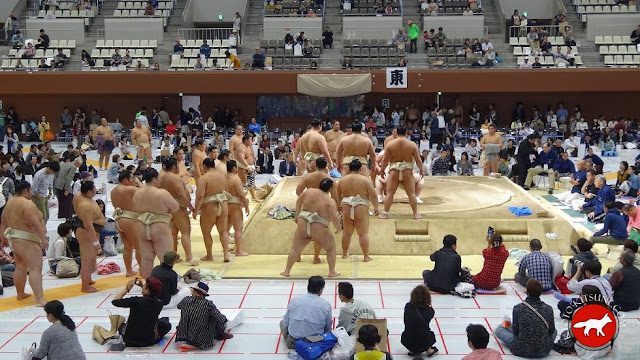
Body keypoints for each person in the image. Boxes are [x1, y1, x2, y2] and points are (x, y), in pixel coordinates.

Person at [281, 179, 342, 278]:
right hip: (318, 226)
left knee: (295, 249)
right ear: (331, 188)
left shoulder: (308, 192)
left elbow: (298, 202)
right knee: (331, 248)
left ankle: (286, 271)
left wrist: (296, 216)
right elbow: (334, 218)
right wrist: (338, 228)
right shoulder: (330, 201)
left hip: (303, 222)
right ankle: (332, 272)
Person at [0, 181, 48, 305]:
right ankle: (39, 298)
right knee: (35, 268)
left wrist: (3, 238)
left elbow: (3, 222)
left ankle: (20, 293)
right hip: (26, 239)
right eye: (30, 191)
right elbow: (34, 223)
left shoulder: (9, 203)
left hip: (14, 239)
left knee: (20, 266)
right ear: (26, 190)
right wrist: (43, 238)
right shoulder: (27, 204)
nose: (31, 193)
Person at [132, 168, 179, 278]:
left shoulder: (137, 193)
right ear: (154, 179)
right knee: (166, 259)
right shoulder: (162, 193)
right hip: (159, 226)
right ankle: (166, 285)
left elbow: (135, 208)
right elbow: (175, 207)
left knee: (146, 259)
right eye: (158, 178)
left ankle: (148, 286)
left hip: (142, 227)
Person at [494, 280, 556, 358]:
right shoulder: (548, 308)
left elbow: (516, 331)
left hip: (521, 349)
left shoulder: (518, 308)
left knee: (500, 329)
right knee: (555, 331)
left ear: (527, 291)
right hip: (543, 351)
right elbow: (551, 331)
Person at [336, 159, 379, 261]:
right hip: (361, 205)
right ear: (360, 169)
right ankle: (366, 256)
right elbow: (373, 195)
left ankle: (344, 254)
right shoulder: (365, 180)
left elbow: (337, 196)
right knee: (363, 233)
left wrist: (338, 206)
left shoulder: (342, 180)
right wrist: (376, 207)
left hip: (346, 206)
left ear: (349, 169)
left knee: (347, 233)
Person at [377, 127, 423, 220]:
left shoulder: (390, 144)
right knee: (411, 194)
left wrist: (382, 171)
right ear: (406, 133)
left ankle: (385, 213)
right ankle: (415, 214)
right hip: (407, 171)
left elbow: (385, 160)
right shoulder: (412, 144)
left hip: (394, 171)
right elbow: (418, 159)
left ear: (397, 133)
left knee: (390, 193)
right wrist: (421, 170)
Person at [111, 277, 171, 347]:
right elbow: (149, 297)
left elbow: (115, 301)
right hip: (149, 340)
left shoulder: (136, 301)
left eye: (145, 286)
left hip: (129, 339)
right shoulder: (159, 303)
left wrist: (127, 289)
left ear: (147, 290)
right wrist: (143, 286)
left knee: (120, 324)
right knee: (165, 324)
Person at [193, 158, 233, 262]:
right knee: (223, 231)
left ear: (205, 166)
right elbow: (227, 192)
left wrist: (196, 210)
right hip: (223, 204)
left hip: (209, 207)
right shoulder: (223, 176)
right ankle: (226, 254)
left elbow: (200, 196)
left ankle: (209, 255)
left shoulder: (204, 178)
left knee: (206, 232)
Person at [160, 158, 197, 265]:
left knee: (173, 233)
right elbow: (181, 194)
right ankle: (189, 257)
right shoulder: (175, 178)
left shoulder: (162, 178)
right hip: (177, 207)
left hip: (167, 208)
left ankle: (173, 256)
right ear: (174, 167)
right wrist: (190, 207)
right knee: (185, 232)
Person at [175, 281, 232, 351]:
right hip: (201, 341)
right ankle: (218, 335)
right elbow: (221, 319)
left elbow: (179, 306)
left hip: (181, 336)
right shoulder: (208, 304)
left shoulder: (186, 299)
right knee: (216, 319)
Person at [280, 276, 332, 349]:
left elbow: (286, 322)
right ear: (321, 290)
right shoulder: (326, 305)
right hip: (315, 342)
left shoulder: (295, 300)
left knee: (282, 322)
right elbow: (328, 326)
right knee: (329, 329)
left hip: (294, 343)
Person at [72, 181, 105, 293]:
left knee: (90, 259)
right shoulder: (85, 205)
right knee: (87, 259)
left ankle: (88, 279)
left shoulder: (78, 195)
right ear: (90, 191)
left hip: (84, 227)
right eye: (95, 188)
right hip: (87, 232)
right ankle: (85, 286)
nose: (96, 189)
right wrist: (96, 243)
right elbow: (88, 225)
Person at [401, 285, 438, 357]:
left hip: (407, 339)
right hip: (425, 339)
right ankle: (429, 350)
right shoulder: (430, 311)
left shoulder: (408, 307)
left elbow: (406, 321)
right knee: (426, 332)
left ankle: (414, 350)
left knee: (414, 331)